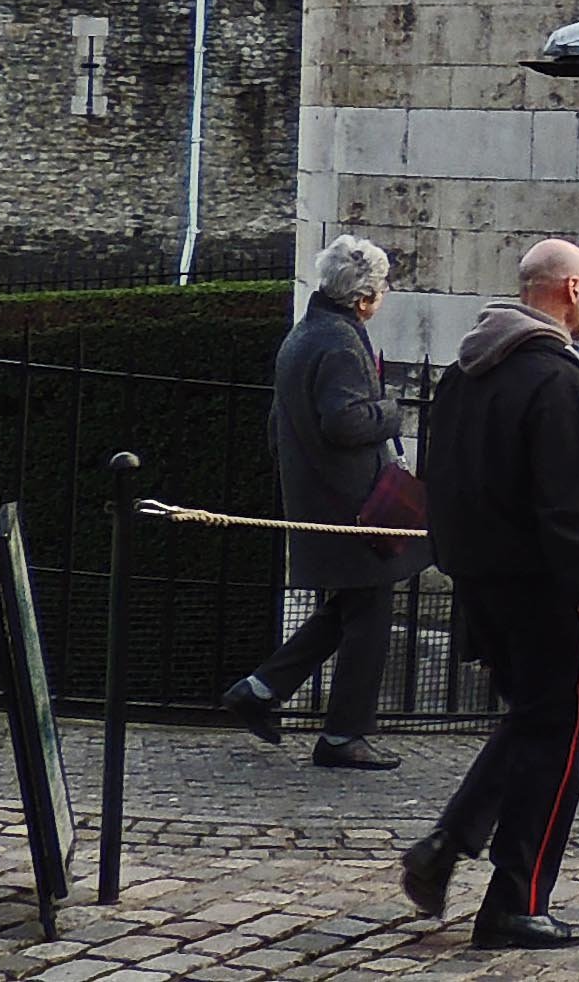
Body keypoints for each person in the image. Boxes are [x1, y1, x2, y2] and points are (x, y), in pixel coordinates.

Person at [400, 239, 579, 951]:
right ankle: (515, 901)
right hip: (545, 587)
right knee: (557, 745)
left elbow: (438, 474)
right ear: (569, 289)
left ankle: (448, 844)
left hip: (483, 577)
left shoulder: (468, 371)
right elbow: (573, 505)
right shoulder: (555, 379)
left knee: (532, 723)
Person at [223, 234, 414, 771]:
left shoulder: (305, 335)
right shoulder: (339, 343)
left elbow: (276, 424)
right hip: (351, 503)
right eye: (381, 291)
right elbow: (345, 420)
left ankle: (260, 690)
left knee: (350, 609)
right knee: (368, 614)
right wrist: (391, 410)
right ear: (363, 298)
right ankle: (342, 735)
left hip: (321, 495)